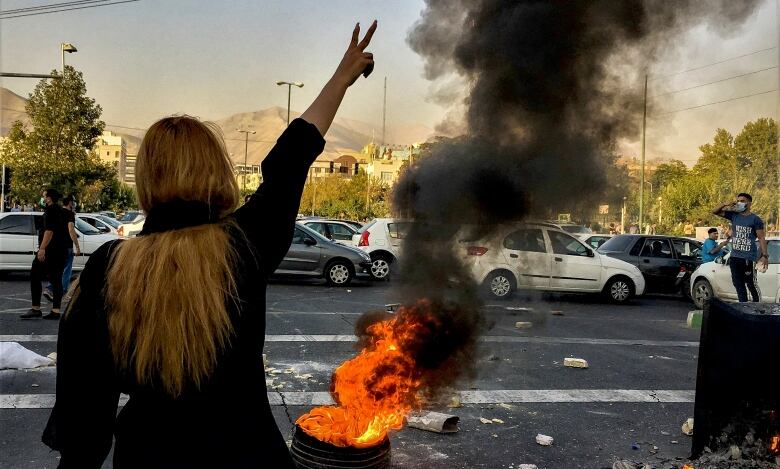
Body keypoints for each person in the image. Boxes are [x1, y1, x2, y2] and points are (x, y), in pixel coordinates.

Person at [43, 21, 377, 469]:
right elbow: (291, 159)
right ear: (215, 170)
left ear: (146, 178)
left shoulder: (108, 267)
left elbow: (83, 419)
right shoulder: (244, 245)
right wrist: (341, 77)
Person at [20, 189, 70, 320]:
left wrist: (42, 249)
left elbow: (49, 231)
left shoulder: (51, 211)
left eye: (44, 196)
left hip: (50, 251)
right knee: (56, 279)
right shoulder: (61, 211)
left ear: (49, 198)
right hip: (60, 251)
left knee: (35, 274)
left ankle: (36, 308)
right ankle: (55, 311)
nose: (43, 198)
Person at [712, 193, 769, 302]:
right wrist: (725, 204)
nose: (739, 203)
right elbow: (714, 211)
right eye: (738, 201)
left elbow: (762, 238)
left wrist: (764, 256)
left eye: (742, 201)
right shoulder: (734, 215)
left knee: (751, 284)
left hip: (748, 258)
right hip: (735, 257)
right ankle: (743, 305)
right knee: (738, 283)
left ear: (749, 203)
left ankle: (758, 306)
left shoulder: (755, 219)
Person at [43, 196, 81, 303]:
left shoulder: (58, 212)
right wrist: (77, 246)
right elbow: (71, 230)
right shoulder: (70, 214)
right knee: (67, 270)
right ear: (70, 203)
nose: (74, 204)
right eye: (73, 202)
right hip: (66, 246)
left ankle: (49, 288)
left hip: (56, 245)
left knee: (58, 269)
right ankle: (61, 292)